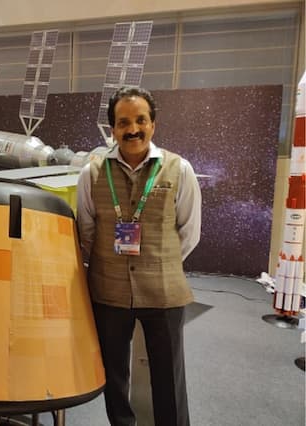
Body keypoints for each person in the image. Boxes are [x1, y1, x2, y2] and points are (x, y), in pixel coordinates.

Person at [76, 86, 201, 426]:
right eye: (123, 122)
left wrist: (161, 263)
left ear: (153, 124)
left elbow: (189, 232)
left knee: (168, 375)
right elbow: (86, 231)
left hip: (163, 290)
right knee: (114, 374)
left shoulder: (180, 169)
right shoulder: (91, 173)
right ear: (113, 129)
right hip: (109, 291)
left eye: (141, 120)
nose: (133, 129)